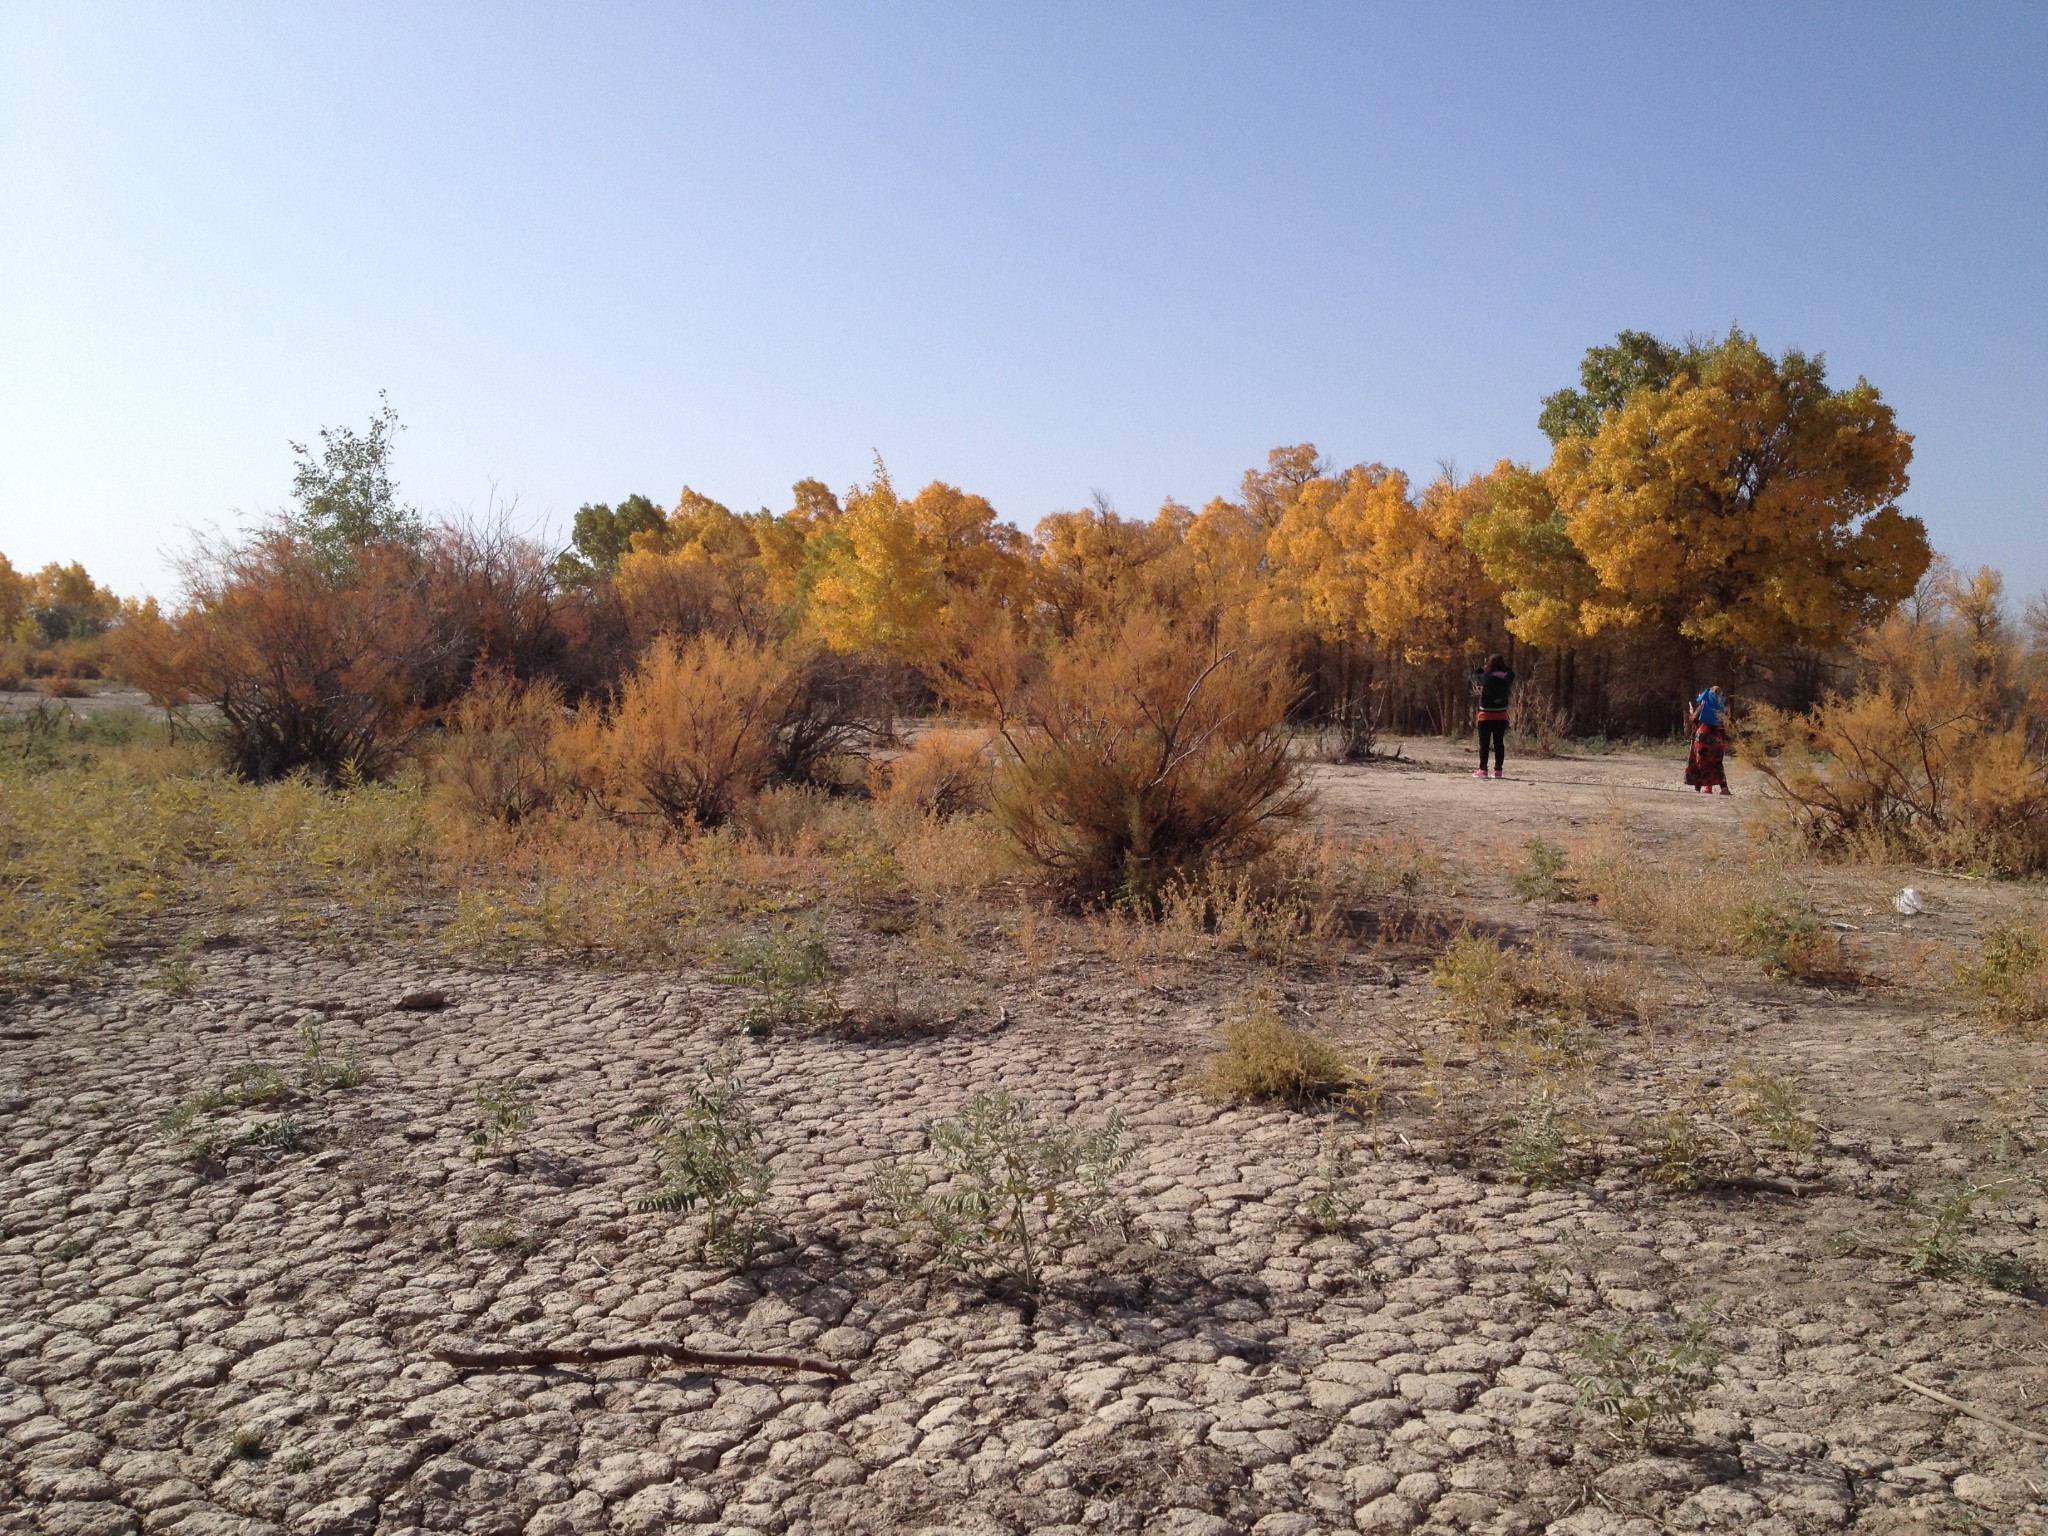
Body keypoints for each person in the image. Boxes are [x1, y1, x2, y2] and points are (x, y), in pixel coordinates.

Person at [1471, 653, 1512, 779]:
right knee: (1499, 743)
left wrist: (1483, 668)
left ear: (1489, 664)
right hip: (1501, 714)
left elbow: (1474, 675)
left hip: (1486, 715)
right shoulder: (1506, 677)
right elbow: (1511, 672)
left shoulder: (1486, 677)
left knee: (1484, 744)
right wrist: (1503, 668)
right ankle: (1498, 770)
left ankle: (1483, 769)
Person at [1685, 684, 1732, 795]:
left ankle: (1700, 788)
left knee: (1699, 761)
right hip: (1718, 737)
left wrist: (1691, 714)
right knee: (1717, 763)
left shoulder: (1705, 701)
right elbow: (1727, 720)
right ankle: (1724, 788)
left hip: (1703, 736)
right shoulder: (1723, 703)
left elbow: (1695, 718)